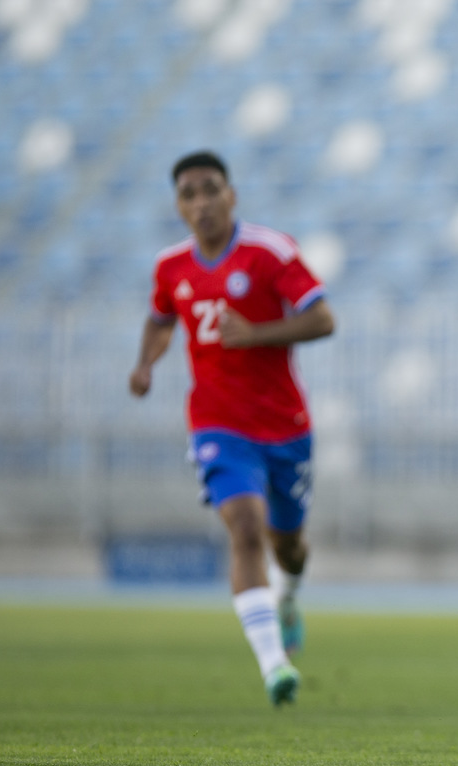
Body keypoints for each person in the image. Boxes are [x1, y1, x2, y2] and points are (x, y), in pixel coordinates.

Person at [129, 150, 335, 707]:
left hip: (284, 425)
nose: (201, 203)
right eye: (189, 194)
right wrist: (146, 363)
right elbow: (160, 317)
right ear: (179, 206)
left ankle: (287, 596)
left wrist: (258, 332)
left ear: (231, 195)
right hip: (218, 423)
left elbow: (323, 318)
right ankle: (274, 667)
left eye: (210, 190)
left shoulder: (271, 253)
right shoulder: (171, 267)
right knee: (245, 527)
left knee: (288, 545)